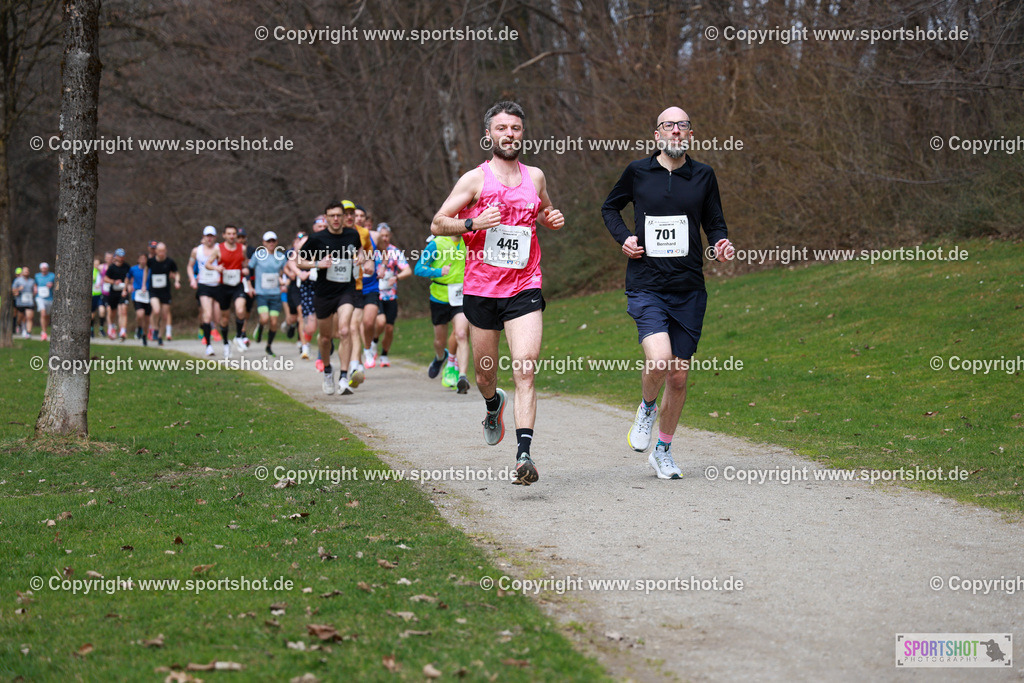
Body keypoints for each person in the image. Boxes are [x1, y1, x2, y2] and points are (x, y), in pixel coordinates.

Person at [430, 101, 564, 485]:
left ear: (523, 133)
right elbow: (438, 223)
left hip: (525, 285)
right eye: (502, 128)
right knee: (485, 375)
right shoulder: (474, 180)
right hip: (482, 290)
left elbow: (544, 210)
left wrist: (551, 218)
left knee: (525, 366)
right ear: (488, 134)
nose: (509, 134)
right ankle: (493, 405)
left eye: (515, 128)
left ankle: (524, 455)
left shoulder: (535, 176)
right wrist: (473, 222)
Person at [601, 106, 735, 480]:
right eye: (668, 125)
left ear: (690, 133)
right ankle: (646, 408)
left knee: (677, 377)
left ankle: (662, 451)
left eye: (682, 125)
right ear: (657, 134)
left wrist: (720, 243)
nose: (676, 131)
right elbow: (610, 208)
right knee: (659, 360)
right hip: (646, 283)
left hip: (689, 288)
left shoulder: (704, 175)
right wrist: (624, 238)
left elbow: (715, 222)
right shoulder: (638, 172)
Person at [297, 200, 365, 395]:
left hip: (346, 290)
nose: (336, 219)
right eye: (332, 216)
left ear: (344, 217)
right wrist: (317, 264)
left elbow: (359, 251)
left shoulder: (352, 235)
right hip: (324, 293)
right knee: (325, 338)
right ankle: (328, 370)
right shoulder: (317, 238)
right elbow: (299, 261)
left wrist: (361, 258)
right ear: (326, 218)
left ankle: (343, 377)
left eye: (339, 215)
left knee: (344, 330)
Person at [414, 232, 470, 393]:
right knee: (439, 342)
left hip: (461, 296)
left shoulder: (469, 241)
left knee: (461, 334)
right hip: (439, 297)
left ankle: (462, 376)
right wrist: (438, 271)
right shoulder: (436, 243)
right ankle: (441, 357)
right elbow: (419, 268)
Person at [372, 224, 412, 370]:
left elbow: (407, 270)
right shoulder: (372, 251)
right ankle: (374, 341)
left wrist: (396, 277)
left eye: (386, 236)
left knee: (389, 328)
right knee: (380, 322)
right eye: (381, 236)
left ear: (390, 236)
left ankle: (384, 355)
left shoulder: (394, 252)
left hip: (391, 295)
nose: (384, 238)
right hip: (376, 294)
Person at [206, 224, 249, 358]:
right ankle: (226, 343)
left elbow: (245, 263)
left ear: (236, 235)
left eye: (234, 234)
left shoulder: (242, 248)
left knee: (240, 310)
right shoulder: (218, 249)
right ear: (224, 235)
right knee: (224, 318)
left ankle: (238, 336)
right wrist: (216, 268)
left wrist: (246, 269)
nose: (231, 236)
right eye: (229, 234)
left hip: (237, 284)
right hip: (224, 286)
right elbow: (207, 264)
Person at [249, 231, 288, 356]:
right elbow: (249, 269)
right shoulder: (258, 255)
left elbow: (285, 271)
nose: (271, 243)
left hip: (275, 294)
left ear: (276, 242)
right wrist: (250, 285)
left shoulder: (280, 257)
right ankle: (260, 328)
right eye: (268, 241)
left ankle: (269, 346)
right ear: (264, 243)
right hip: (262, 293)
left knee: (274, 322)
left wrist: (284, 283)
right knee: (264, 318)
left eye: (273, 241)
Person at [188, 225, 223, 357]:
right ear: (203, 237)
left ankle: (214, 331)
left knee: (217, 317)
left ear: (215, 237)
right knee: (207, 315)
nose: (209, 238)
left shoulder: (220, 248)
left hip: (217, 285)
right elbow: (190, 266)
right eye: (207, 236)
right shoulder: (196, 251)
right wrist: (192, 279)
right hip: (204, 285)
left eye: (211, 236)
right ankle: (208, 345)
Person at [147, 242, 180, 345]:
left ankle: (160, 336)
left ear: (165, 251)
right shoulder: (151, 261)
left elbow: (176, 273)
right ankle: (155, 329)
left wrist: (177, 281)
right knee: (156, 310)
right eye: (159, 251)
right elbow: (146, 271)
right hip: (153, 290)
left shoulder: (170, 262)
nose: (161, 253)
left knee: (165, 316)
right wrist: (144, 284)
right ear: (156, 251)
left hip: (165, 291)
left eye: (163, 251)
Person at [103, 249, 131, 341]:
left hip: (123, 292)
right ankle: (111, 327)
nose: (121, 258)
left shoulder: (127, 267)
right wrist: (114, 281)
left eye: (122, 256)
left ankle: (122, 331)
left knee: (123, 310)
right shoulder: (112, 267)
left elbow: (129, 278)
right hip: (113, 292)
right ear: (116, 257)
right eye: (119, 256)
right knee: (113, 312)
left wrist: (128, 287)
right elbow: (105, 279)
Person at [128, 253, 151, 345]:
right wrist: (129, 285)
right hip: (137, 294)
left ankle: (144, 335)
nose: (143, 260)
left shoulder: (150, 269)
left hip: (148, 294)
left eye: (144, 259)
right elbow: (128, 278)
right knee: (140, 314)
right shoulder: (133, 269)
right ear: (138, 260)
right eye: (141, 258)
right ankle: (139, 328)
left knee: (147, 318)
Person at [33, 262, 56, 341]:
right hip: (40, 297)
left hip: (49, 298)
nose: (44, 269)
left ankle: (44, 329)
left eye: (45, 268)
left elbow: (57, 284)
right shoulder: (37, 276)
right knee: (43, 313)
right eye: (43, 268)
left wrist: (52, 284)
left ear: (47, 268)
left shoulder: (52, 275)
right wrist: (35, 289)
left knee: (47, 315)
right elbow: (35, 284)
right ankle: (43, 332)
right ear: (40, 269)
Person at [13, 266, 35, 338]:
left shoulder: (32, 281)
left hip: (29, 302)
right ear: (22, 272)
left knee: (29, 317)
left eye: (27, 271)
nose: (26, 272)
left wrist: (35, 292)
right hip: (20, 302)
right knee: (20, 317)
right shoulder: (17, 280)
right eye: (25, 271)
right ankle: (19, 325)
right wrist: (18, 289)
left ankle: (28, 332)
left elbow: (34, 290)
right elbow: (13, 290)